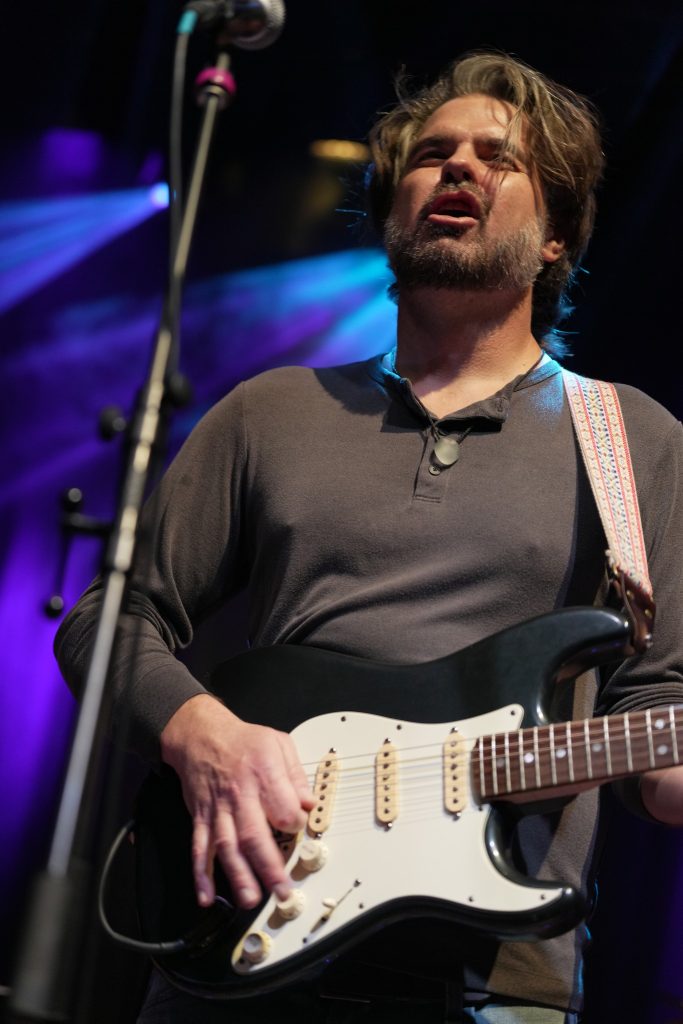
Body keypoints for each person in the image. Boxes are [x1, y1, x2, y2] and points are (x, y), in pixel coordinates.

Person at [55, 51, 683, 1023]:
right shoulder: (270, 410)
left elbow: (655, 732)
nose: (458, 166)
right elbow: (110, 618)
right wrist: (201, 734)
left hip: (487, 984)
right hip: (247, 933)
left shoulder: (632, 438)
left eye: (498, 158)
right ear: (392, 210)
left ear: (557, 235)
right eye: (432, 154)